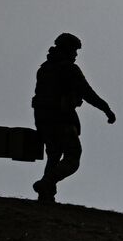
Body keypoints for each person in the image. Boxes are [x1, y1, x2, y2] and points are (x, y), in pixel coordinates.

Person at [31, 32, 115, 202]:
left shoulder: (44, 69)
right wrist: (106, 109)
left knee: (53, 156)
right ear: (67, 49)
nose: (76, 55)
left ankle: (45, 195)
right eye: (74, 50)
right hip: (62, 120)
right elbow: (87, 92)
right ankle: (46, 183)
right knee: (72, 157)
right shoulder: (68, 69)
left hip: (43, 120)